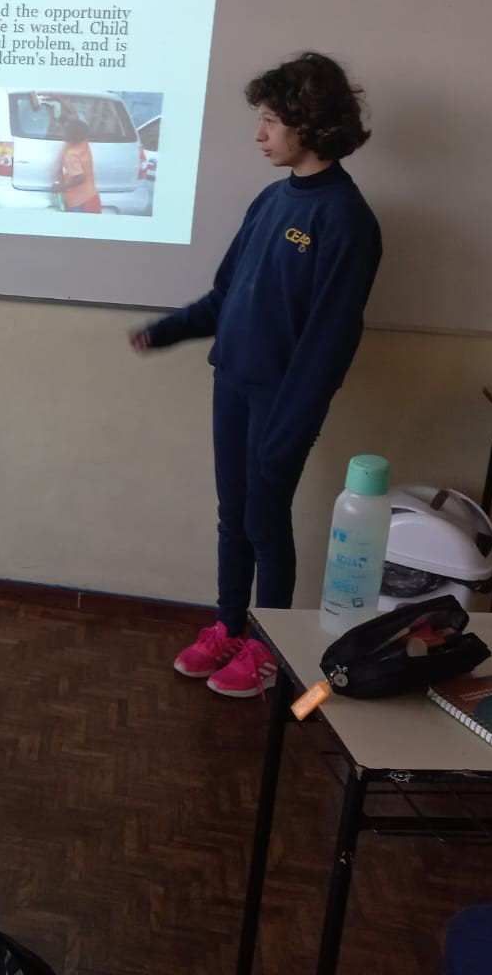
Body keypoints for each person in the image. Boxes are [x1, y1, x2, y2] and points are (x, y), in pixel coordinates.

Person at [131, 52, 381, 697]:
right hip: (233, 383)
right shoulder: (271, 200)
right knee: (234, 517)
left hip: (282, 402)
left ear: (309, 122)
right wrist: (168, 329)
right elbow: (226, 297)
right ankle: (229, 627)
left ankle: (269, 650)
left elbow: (329, 344)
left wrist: (288, 429)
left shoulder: (345, 218)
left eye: (270, 120)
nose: (258, 133)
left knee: (266, 521)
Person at [53, 115, 101, 213]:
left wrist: (62, 187)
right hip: (92, 196)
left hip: (79, 203)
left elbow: (80, 178)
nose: (62, 132)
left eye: (65, 131)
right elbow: (77, 126)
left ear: (71, 136)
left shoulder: (71, 155)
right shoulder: (83, 143)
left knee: (78, 223)